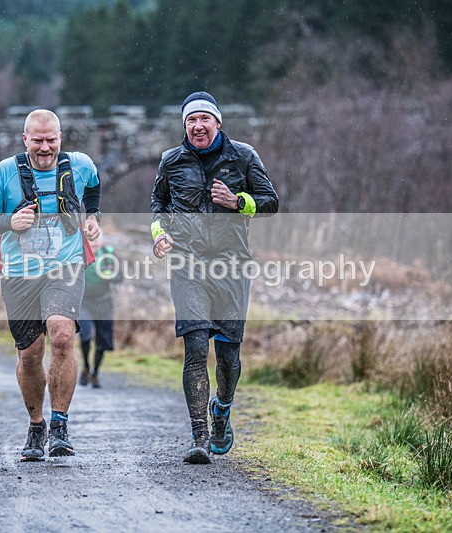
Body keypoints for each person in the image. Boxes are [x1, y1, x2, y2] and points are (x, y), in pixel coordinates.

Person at [150, 91, 278, 464]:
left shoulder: (244, 156)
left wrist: (238, 201)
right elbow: (158, 206)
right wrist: (160, 235)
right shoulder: (170, 162)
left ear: (218, 123)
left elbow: (270, 203)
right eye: (191, 120)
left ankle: (221, 409)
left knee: (228, 355)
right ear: (185, 126)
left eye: (205, 119)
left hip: (231, 267)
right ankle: (199, 436)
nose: (198, 126)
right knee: (195, 349)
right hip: (187, 266)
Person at [0, 109, 102, 461]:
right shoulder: (4, 172)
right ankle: (37, 425)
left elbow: (93, 188)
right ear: (25, 139)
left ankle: (60, 424)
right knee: (30, 355)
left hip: (66, 265)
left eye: (51, 140)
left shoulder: (79, 165)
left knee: (62, 335)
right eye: (38, 140)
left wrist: (91, 218)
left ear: (60, 138)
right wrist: (10, 221)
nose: (45, 147)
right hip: (19, 273)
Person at [78, 234, 119, 389]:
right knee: (85, 335)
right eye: (90, 239)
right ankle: (86, 366)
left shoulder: (108, 254)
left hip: (104, 302)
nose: (93, 242)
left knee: (103, 341)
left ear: (101, 240)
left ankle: (95, 372)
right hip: (84, 302)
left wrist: (111, 275)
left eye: (96, 239)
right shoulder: (79, 253)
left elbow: (120, 276)